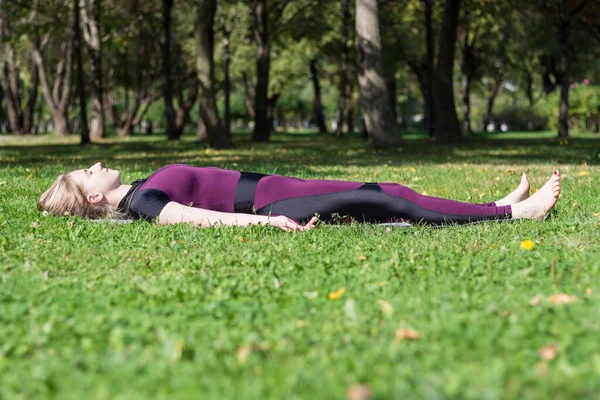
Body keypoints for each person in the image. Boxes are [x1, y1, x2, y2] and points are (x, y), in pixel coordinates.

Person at [38, 163, 561, 232]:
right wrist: (266, 225)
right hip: (271, 205)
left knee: (386, 200)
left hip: (278, 190)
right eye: (89, 173)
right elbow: (192, 217)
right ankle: (515, 211)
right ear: (94, 201)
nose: (97, 165)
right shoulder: (143, 202)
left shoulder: (138, 187)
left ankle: (496, 203)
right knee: (392, 198)